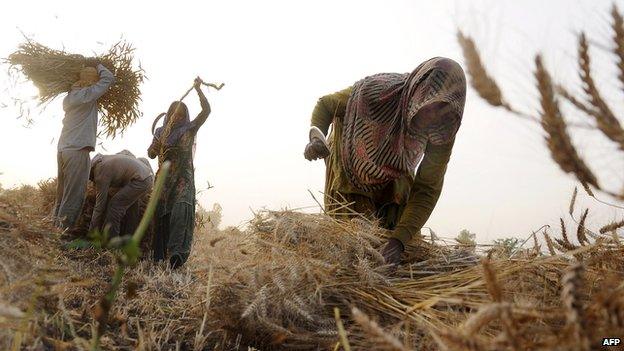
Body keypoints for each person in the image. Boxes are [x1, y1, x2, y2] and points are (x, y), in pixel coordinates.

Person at [304, 57, 466, 266]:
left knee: (394, 250)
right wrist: (317, 137)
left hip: (395, 172)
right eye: (430, 104)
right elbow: (326, 105)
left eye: (443, 108)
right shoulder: (375, 93)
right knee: (352, 250)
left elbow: (427, 188)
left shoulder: (443, 130)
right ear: (418, 92)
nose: (433, 116)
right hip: (352, 165)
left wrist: (398, 241)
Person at [148, 77, 211, 268]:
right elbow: (150, 153)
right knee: (160, 216)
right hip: (163, 181)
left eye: (181, 114)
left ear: (185, 116)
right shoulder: (161, 131)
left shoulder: (189, 129)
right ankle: (159, 256)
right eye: (174, 113)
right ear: (169, 114)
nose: (177, 117)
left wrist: (199, 90)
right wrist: (158, 146)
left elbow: (206, 111)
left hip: (182, 178)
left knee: (180, 212)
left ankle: (177, 255)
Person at [53, 61, 116, 229]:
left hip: (63, 150)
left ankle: (51, 233)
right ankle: (62, 233)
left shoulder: (70, 97)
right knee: (74, 196)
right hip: (76, 151)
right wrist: (99, 65)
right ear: (92, 81)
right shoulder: (85, 95)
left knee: (62, 195)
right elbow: (109, 78)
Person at [88, 151, 154, 237]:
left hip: (140, 180)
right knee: (129, 208)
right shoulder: (104, 161)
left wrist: (91, 233)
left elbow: (99, 207)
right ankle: (127, 239)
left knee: (114, 207)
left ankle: (111, 242)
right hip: (145, 176)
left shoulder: (100, 172)